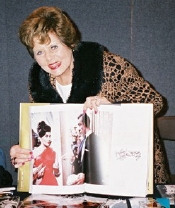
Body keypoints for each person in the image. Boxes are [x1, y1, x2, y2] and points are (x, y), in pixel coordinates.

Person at [10, 6, 170, 184]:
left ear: (69, 42)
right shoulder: (39, 82)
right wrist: (22, 151)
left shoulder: (108, 65)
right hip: (83, 182)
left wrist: (113, 106)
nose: (49, 58)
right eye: (39, 52)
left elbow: (154, 101)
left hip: (129, 172)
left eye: (53, 46)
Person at [32, 121, 60, 185]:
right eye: (46, 136)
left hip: (53, 184)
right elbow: (29, 175)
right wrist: (36, 172)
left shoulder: (54, 152)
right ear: (40, 138)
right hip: (40, 184)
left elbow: (57, 174)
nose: (49, 139)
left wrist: (56, 170)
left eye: (50, 136)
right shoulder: (34, 153)